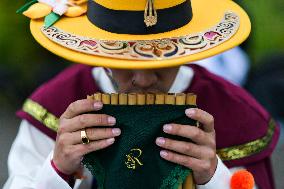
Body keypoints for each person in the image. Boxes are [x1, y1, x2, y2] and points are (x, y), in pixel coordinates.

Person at [4, 0, 279, 188]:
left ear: (187, 44)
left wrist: (213, 177)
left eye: (161, 59)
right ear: (98, 49)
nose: (144, 79)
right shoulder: (56, 102)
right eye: (126, 60)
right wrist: (58, 170)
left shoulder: (236, 113)